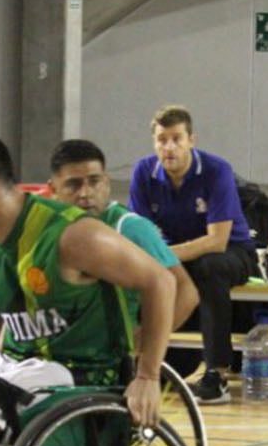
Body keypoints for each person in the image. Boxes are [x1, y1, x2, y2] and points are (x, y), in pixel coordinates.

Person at [0, 122, 178, 440]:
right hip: (21, 365)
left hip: (82, 374)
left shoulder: (73, 235)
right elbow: (18, 314)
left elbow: (162, 282)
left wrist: (148, 376)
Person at [127, 106, 256, 405]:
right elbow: (141, 233)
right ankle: (133, 357)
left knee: (208, 267)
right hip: (175, 254)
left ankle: (217, 374)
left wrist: (166, 256)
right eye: (162, 139)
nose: (168, 147)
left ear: (191, 140)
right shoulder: (143, 172)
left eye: (176, 139)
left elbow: (217, 240)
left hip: (231, 253)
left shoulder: (216, 170)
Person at [49, 138, 199, 329]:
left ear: (106, 183)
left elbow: (187, 292)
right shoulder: (44, 226)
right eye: (74, 185)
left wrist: (143, 346)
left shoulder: (130, 228)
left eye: (94, 182)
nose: (85, 193)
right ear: (53, 189)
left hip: (105, 352)